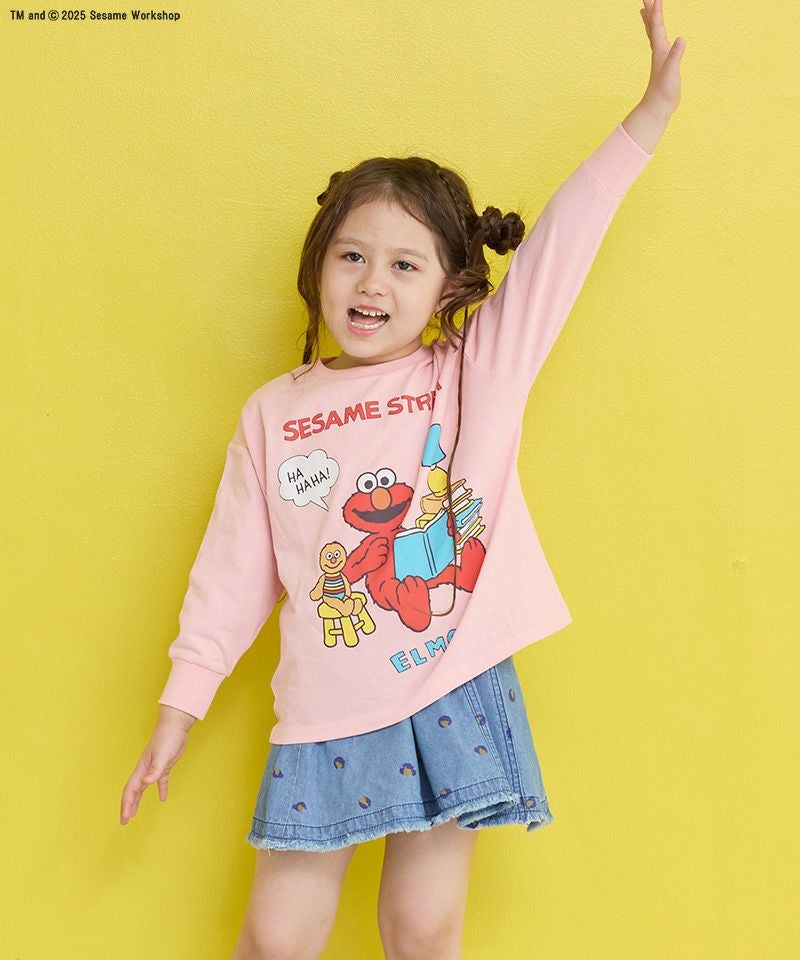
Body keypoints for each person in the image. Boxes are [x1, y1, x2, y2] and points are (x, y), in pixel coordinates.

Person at [121, 3, 684, 956]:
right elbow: (231, 576)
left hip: (449, 688)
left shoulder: (472, 374)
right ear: (319, 266)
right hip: (322, 709)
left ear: (448, 288)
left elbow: (559, 250)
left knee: (421, 931)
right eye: (352, 256)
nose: (371, 283)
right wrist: (181, 707)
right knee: (275, 940)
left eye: (403, 263)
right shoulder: (273, 412)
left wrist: (649, 119)